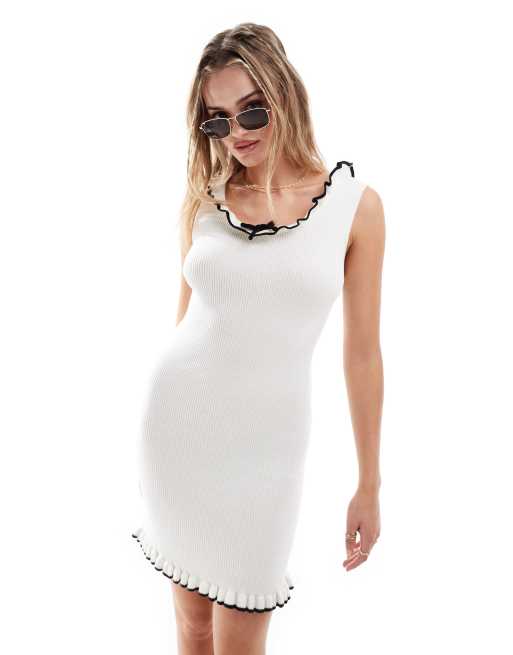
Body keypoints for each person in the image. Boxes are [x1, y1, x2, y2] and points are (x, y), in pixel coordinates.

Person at [131, 22, 384, 655]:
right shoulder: (206, 199)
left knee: (240, 638)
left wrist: (369, 483)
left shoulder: (355, 208)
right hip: (180, 433)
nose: (236, 133)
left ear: (285, 93)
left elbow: (361, 356)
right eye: (217, 121)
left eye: (251, 110)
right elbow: (189, 319)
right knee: (192, 629)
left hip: (268, 457)